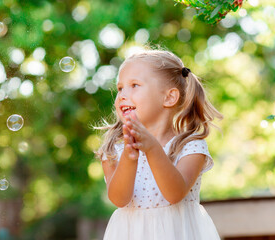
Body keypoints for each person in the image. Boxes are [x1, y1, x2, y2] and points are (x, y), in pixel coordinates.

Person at [95, 49, 223, 240]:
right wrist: (130, 158)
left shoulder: (190, 146)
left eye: (134, 85)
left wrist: (152, 148)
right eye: (120, 88)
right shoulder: (115, 149)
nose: (122, 95)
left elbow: (174, 193)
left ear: (169, 97)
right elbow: (119, 199)